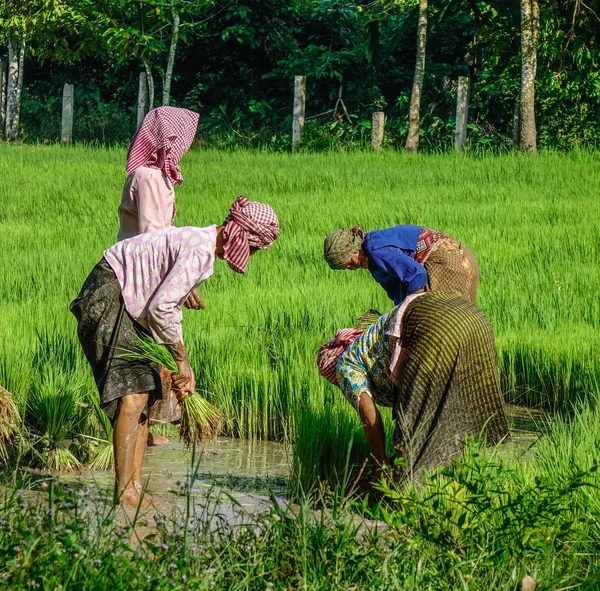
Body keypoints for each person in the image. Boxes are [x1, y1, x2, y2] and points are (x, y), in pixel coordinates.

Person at [70, 196, 279, 508]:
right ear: (241, 236)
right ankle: (124, 492)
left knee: (146, 394)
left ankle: (134, 488)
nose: (251, 254)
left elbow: (166, 303)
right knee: (133, 395)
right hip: (110, 295)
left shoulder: (201, 245)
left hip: (128, 302)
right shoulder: (200, 248)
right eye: (253, 248)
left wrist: (178, 359)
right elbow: (161, 307)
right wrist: (182, 361)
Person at [317, 290, 509, 482]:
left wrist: (380, 461)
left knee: (414, 424)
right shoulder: (368, 341)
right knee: (452, 404)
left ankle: (410, 490)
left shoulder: (345, 365)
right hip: (472, 317)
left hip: (431, 325)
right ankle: (457, 475)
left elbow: (369, 417)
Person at [119, 106, 201, 445]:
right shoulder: (150, 178)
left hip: (149, 272)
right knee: (145, 352)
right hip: (140, 276)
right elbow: (154, 238)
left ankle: (147, 429)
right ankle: (144, 431)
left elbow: (165, 234)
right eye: (182, 139)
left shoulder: (159, 175)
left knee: (147, 350)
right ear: (169, 139)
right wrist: (178, 282)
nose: (186, 145)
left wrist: (187, 280)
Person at [323, 225, 479, 305]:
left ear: (354, 250)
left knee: (441, 328)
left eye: (350, 263)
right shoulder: (373, 261)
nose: (351, 268)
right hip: (463, 258)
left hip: (448, 263)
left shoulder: (375, 249)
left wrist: (408, 311)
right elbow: (397, 292)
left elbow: (417, 275)